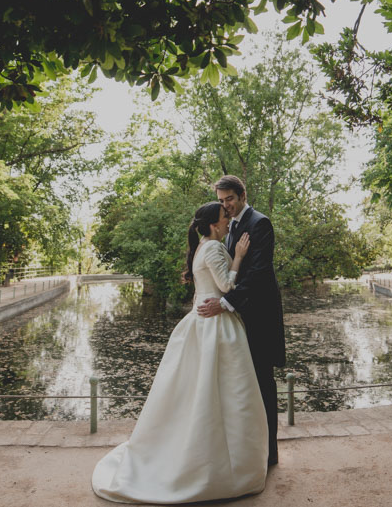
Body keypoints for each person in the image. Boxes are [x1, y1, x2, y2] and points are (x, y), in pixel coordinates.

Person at [92, 201, 268, 504]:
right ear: (214, 224)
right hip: (216, 326)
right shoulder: (213, 248)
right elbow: (226, 286)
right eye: (225, 216)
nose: (229, 219)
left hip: (202, 322)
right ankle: (220, 467)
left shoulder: (203, 246)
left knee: (201, 392)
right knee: (225, 392)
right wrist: (238, 256)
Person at [198, 175, 286, 467]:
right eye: (222, 201)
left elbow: (258, 274)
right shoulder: (230, 227)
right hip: (237, 322)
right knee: (240, 388)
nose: (226, 206)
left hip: (259, 319)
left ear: (243, 194)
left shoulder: (260, 224)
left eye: (230, 199)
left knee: (262, 385)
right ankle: (245, 452)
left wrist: (223, 304)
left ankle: (269, 455)